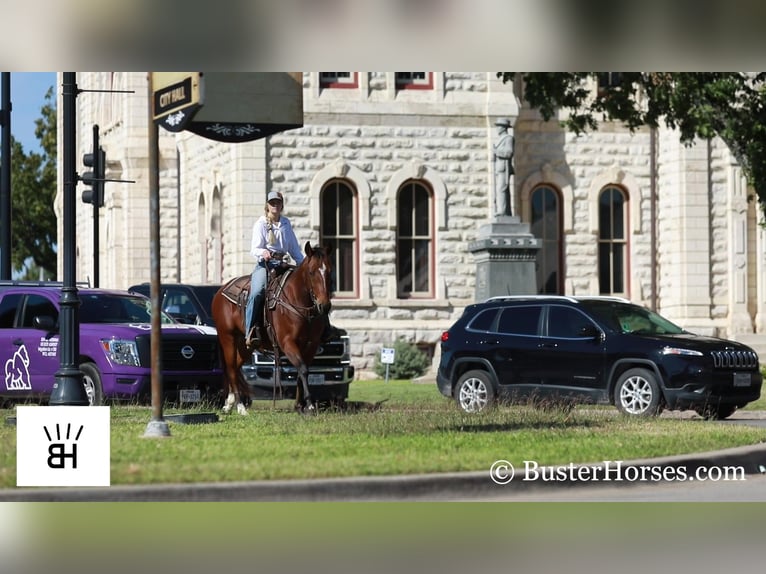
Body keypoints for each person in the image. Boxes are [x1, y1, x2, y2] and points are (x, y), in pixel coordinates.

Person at [245, 190, 304, 348]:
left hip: (283, 264)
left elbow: (294, 249)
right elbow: (254, 249)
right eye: (272, 203)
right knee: (258, 292)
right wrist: (263, 252)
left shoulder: (286, 224)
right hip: (266, 265)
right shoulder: (261, 224)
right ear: (267, 205)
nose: (275, 205)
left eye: (277, 202)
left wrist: (304, 264)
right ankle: (249, 331)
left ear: (282, 205)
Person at [493, 118, 515, 217]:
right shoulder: (500, 139)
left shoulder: (508, 138)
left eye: (498, 126)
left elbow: (509, 152)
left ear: (503, 128)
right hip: (499, 168)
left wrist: (497, 152)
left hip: (504, 168)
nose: (497, 128)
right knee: (502, 190)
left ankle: (502, 211)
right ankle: (505, 211)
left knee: (501, 189)